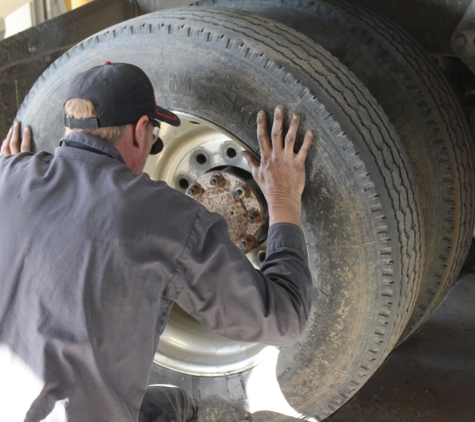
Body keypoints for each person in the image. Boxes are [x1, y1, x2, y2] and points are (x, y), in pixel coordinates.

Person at [0, 62, 314, 422]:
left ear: (69, 127)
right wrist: (284, 201)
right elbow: (283, 319)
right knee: (177, 407)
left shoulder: (6, 177)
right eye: (155, 134)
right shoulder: (164, 215)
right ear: (140, 131)